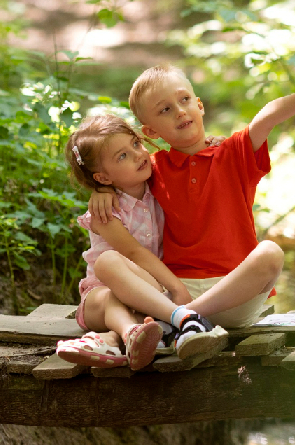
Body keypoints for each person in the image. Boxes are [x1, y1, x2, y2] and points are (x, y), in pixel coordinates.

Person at [87, 62, 295, 340]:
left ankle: (179, 322)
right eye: (165, 109)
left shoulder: (234, 154)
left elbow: (267, 117)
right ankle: (181, 322)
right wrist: (101, 191)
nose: (179, 111)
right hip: (175, 291)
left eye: (184, 99)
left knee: (270, 253)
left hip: (233, 294)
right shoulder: (154, 168)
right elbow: (121, 177)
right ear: (150, 131)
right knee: (108, 260)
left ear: (199, 105)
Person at [56, 114, 230, 370]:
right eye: (122, 156)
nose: (139, 154)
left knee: (134, 302)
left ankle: (115, 340)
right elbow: (134, 252)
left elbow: (190, 166)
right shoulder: (106, 212)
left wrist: (209, 145)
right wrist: (176, 287)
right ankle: (152, 326)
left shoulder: (160, 183)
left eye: (136, 144)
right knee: (108, 264)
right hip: (100, 298)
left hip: (149, 292)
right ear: (103, 178)